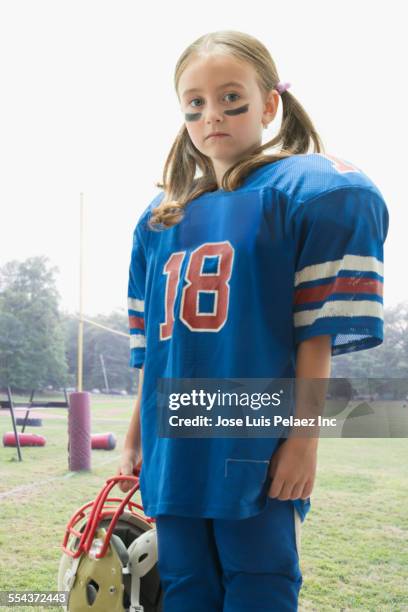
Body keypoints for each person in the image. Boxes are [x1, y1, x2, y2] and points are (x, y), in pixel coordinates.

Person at [118, 30, 389, 611]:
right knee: (185, 582)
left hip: (254, 425)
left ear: (269, 104)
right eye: (195, 103)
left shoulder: (305, 192)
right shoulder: (160, 218)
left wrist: (303, 440)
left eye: (230, 98)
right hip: (172, 433)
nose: (211, 114)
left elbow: (314, 334)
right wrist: (138, 434)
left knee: (260, 577)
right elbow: (151, 349)